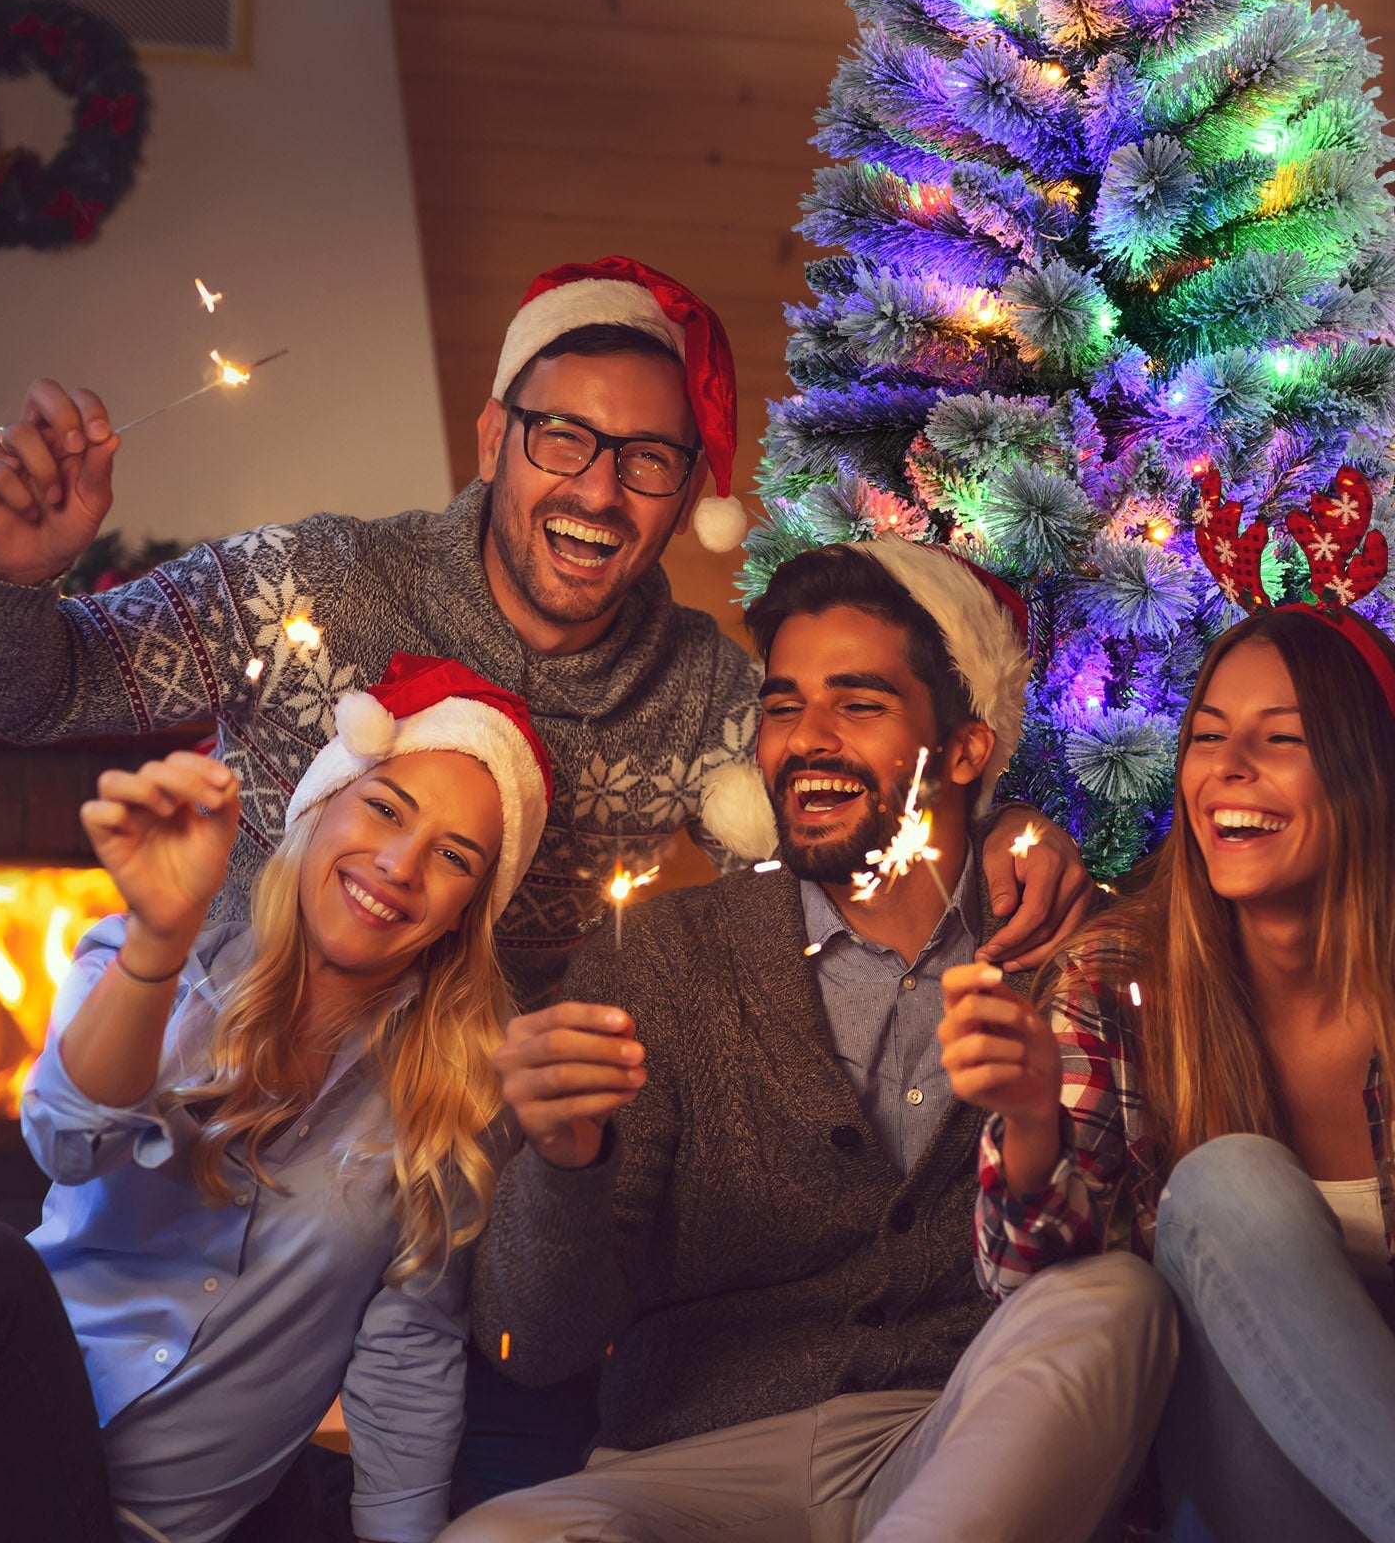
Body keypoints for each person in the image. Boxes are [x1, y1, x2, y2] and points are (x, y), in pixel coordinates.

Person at [0, 255, 1086, 1009]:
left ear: (691, 492)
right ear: (493, 437)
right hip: (213, 1065)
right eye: (560, 438)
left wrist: (1004, 823)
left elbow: (858, 819)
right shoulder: (315, 581)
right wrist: (11, 580)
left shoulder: (704, 698)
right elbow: (20, 698)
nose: (596, 492)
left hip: (447, 1152)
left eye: (646, 460)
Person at [443, 538, 1177, 1543]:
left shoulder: (1069, 959)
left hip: (956, 1447)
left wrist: (1034, 1121)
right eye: (783, 705)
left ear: (964, 750)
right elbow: (534, 1347)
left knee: (1117, 1301)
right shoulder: (659, 958)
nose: (804, 740)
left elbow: (1092, 1300)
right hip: (687, 1470)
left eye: (859, 704)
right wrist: (564, 1166)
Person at [943, 603, 1395, 1543]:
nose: (1226, 770)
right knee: (1231, 1184)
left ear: (1373, 774)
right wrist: (1027, 1123)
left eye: (1282, 739)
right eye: (1209, 736)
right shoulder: (1113, 980)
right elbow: (1043, 1303)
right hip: (1216, 1500)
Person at [0, 653, 554, 1543]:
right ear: (321, 806)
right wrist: (159, 937)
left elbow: (406, 1350)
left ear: (468, 909)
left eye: (453, 857)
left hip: (154, 1527)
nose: (397, 863)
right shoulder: (149, 963)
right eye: (385, 807)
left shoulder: (452, 1103)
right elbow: (67, 1142)